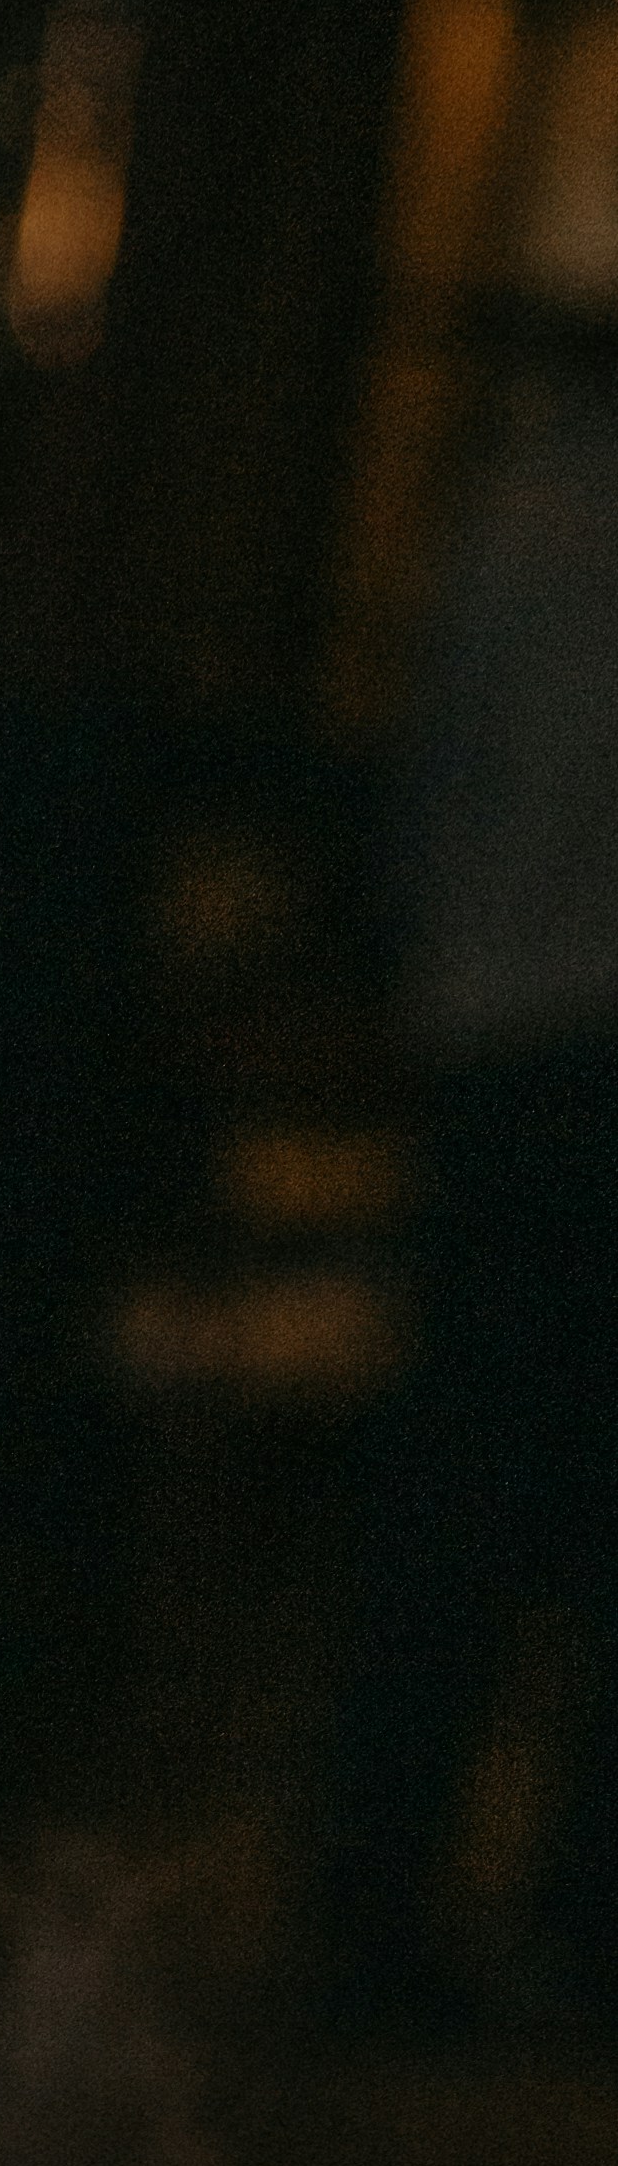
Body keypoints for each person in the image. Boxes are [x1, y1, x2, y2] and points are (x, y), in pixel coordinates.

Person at [318, 293, 618, 2040]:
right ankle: (577, 1934)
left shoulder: (505, 533)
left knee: (449, 1510)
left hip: (503, 1074)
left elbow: (424, 819)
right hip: (570, 1061)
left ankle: (370, 1921)